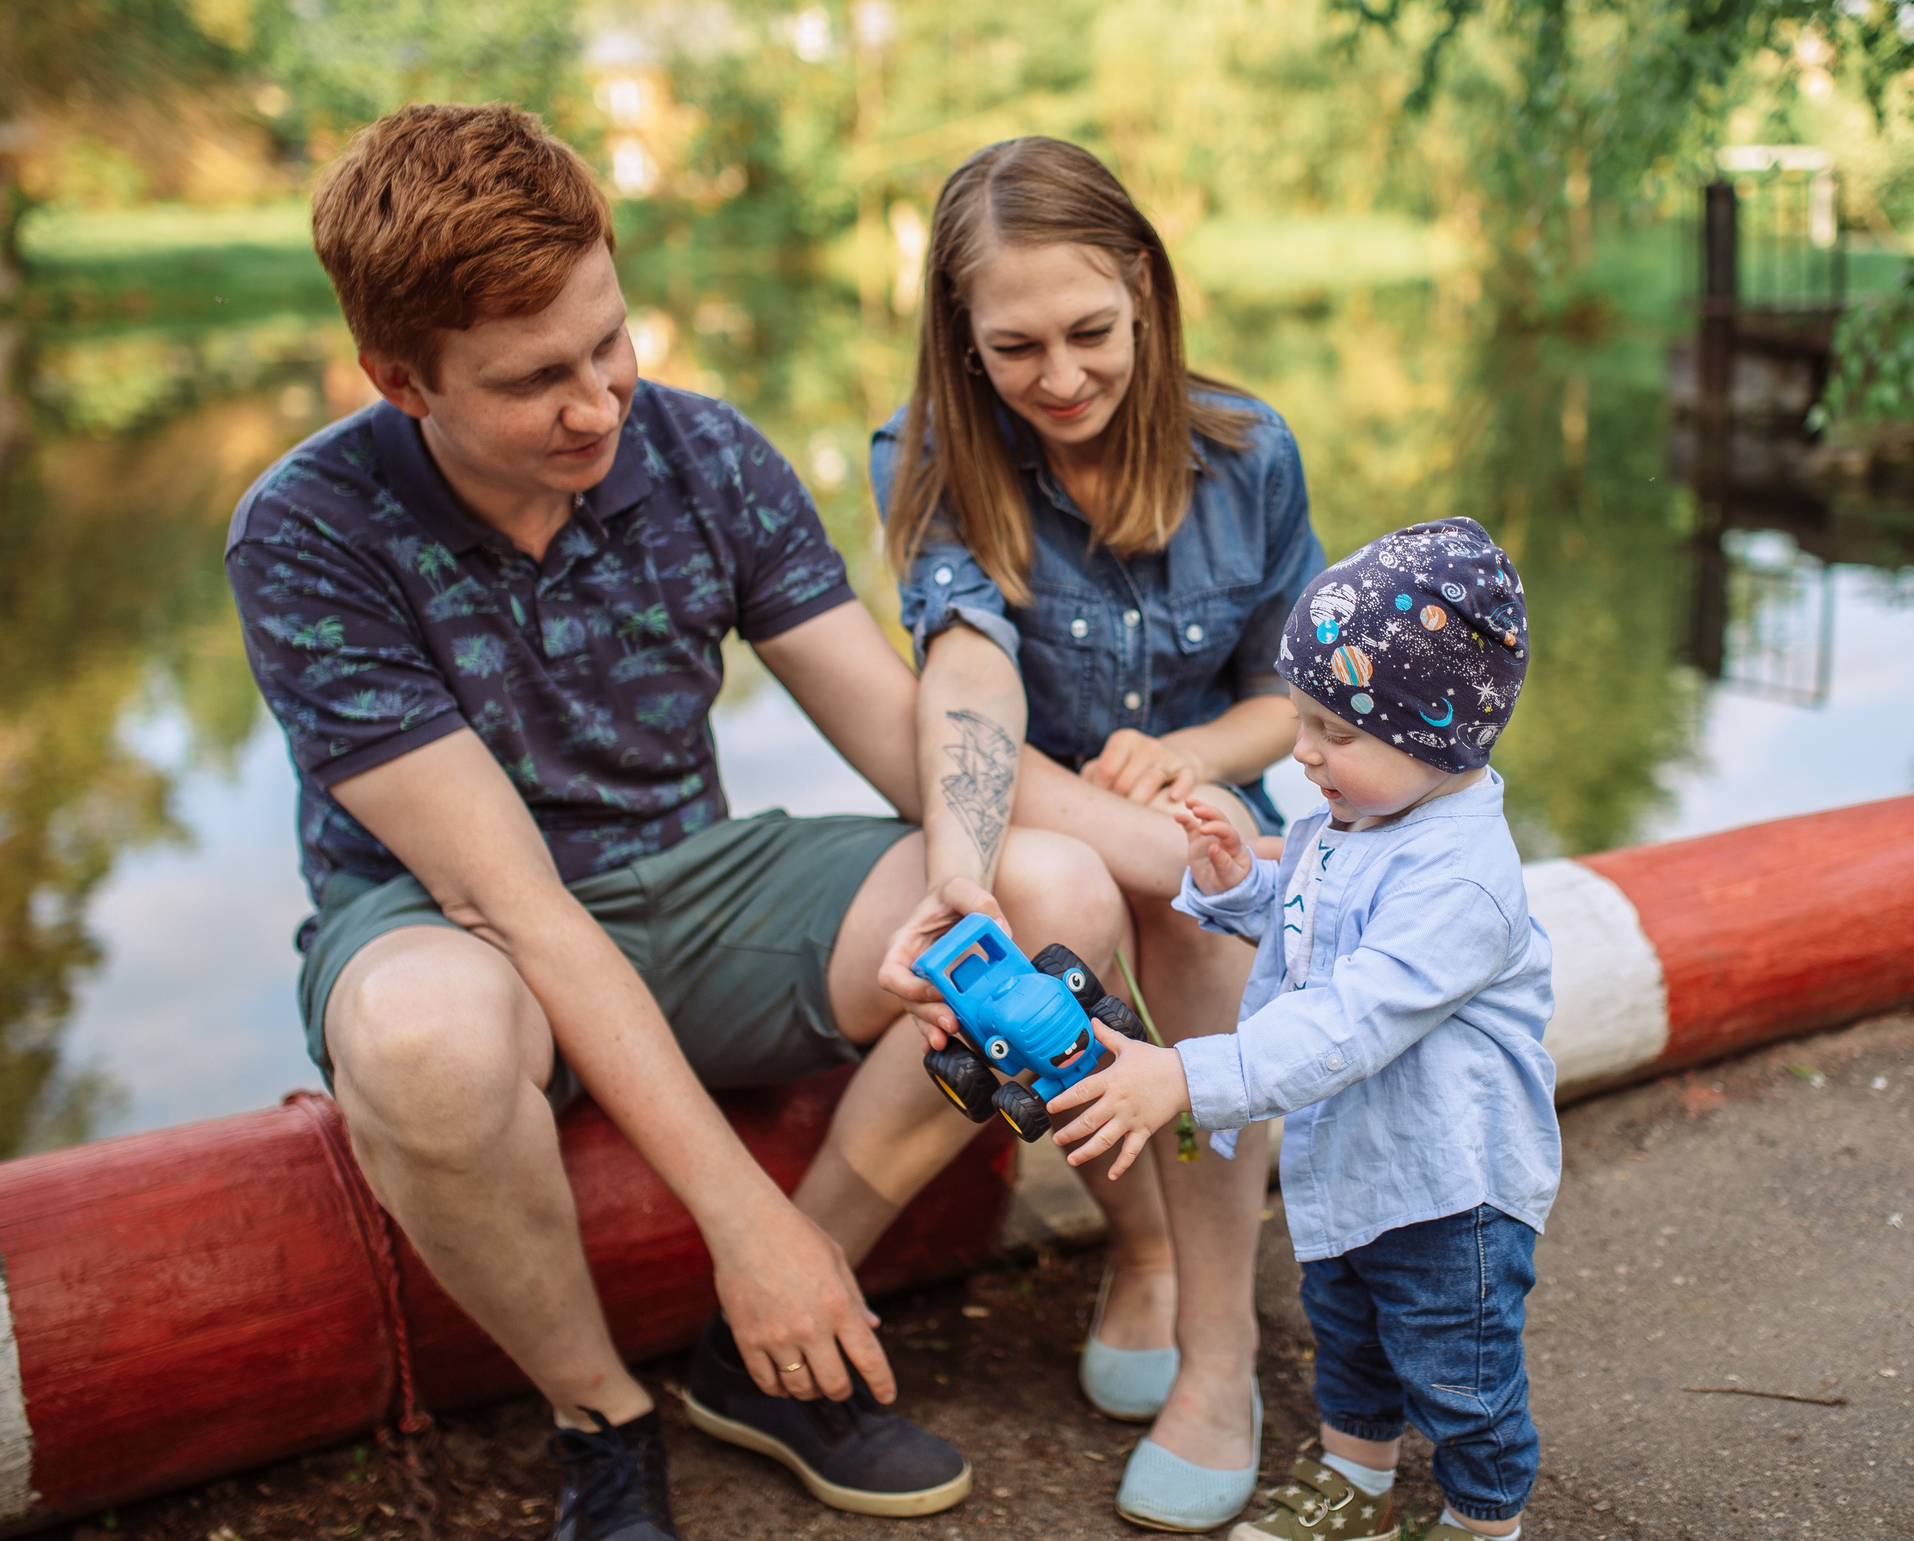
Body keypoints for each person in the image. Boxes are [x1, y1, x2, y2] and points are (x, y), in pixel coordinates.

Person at [225, 102, 1125, 1540]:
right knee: (420, 1046)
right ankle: (602, 1412)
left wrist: (1209, 859)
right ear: (402, 379)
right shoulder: (309, 531)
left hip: (695, 886)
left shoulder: (702, 452)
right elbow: (516, 903)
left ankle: (769, 1344)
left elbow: (908, 742)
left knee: (1058, 888)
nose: (598, 402)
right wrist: (737, 1216)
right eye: (536, 380)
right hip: (459, 928)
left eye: (609, 340)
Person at [870, 136, 1327, 1529]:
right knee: (1065, 890)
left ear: (1143, 284)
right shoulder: (935, 456)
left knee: (1200, 884)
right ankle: (1141, 1243)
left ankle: (1222, 1345)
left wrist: (1189, 754)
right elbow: (964, 668)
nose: (1061, 380)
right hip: (1021, 797)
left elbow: (1293, 698)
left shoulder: (1250, 455)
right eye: (1015, 348)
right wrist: (962, 862)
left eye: (1090, 332)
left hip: (1194, 808)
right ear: (962, 335)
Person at [1045, 518, 1560, 1541]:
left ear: (1439, 733)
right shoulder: (1356, 819)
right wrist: (1241, 890)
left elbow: (1350, 1020)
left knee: (1458, 1372)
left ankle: (1484, 1517)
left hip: (1448, 1187)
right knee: (1351, 1345)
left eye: (1338, 731)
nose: (1303, 750)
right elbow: (1314, 928)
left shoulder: (1462, 880)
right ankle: (1353, 1483)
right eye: (1300, 717)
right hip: (1353, 1167)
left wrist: (1186, 1077)